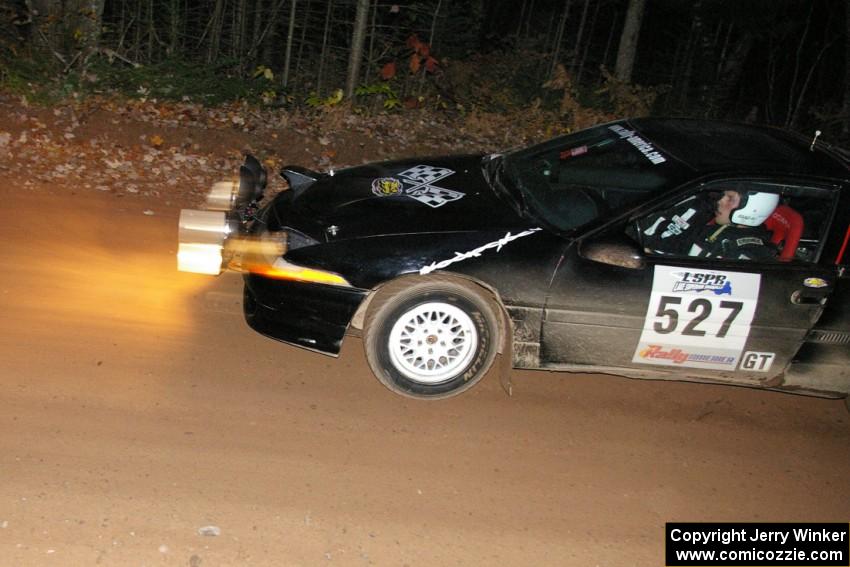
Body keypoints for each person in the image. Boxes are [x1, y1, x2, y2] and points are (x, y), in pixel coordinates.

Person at [639, 189, 780, 260]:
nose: (720, 201)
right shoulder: (719, 231)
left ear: (752, 209)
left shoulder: (745, 251)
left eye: (729, 198)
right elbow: (681, 248)